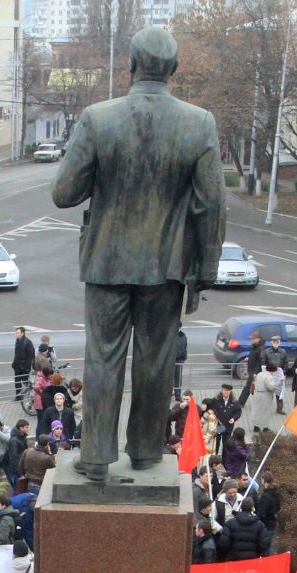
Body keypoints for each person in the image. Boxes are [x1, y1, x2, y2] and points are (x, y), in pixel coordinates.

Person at [51, 25, 223, 480]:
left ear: (130, 65)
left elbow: (64, 193)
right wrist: (203, 271)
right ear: (174, 69)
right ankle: (146, 450)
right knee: (157, 359)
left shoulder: (98, 118)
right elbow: (211, 205)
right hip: (167, 266)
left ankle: (95, 456)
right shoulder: (199, 122)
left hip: (107, 261)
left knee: (102, 357)